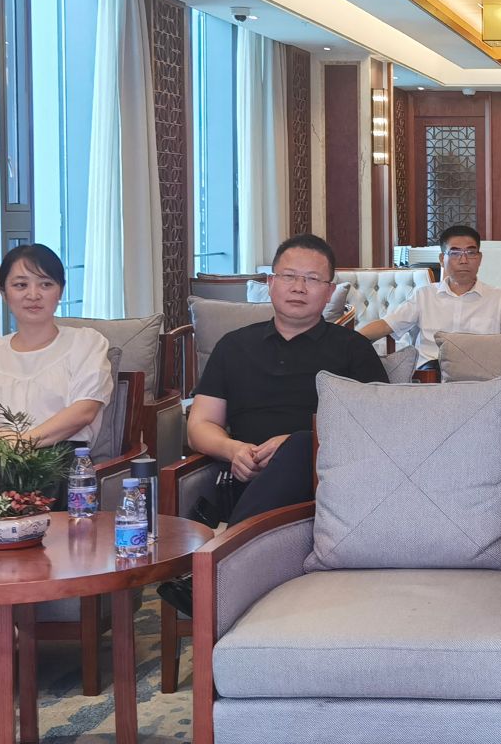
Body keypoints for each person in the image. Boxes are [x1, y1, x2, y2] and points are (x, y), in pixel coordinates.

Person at [0, 242, 114, 737]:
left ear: (60, 291)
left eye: (45, 283)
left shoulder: (85, 344)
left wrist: (22, 441)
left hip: (58, 464)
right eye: (21, 284)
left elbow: (84, 410)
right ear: (3, 292)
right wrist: (0, 448)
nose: (34, 294)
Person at [157, 233, 386, 621]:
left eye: (312, 279)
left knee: (300, 444)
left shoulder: (353, 349)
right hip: (244, 478)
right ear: (270, 283)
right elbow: (200, 425)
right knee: (290, 447)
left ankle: (216, 569)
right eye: (289, 276)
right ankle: (221, 572)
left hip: (326, 483)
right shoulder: (233, 347)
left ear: (330, 290)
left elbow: (379, 427)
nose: (299, 287)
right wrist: (234, 450)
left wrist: (301, 443)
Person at [359, 224, 501, 363]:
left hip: (480, 379)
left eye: (470, 252)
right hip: (431, 378)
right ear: (441, 259)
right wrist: (349, 340)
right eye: (455, 253)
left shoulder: (498, 298)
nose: (463, 260)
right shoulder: (424, 296)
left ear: (479, 258)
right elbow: (387, 325)